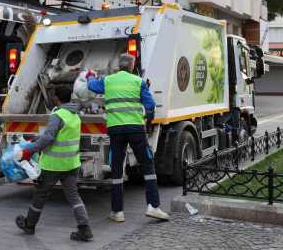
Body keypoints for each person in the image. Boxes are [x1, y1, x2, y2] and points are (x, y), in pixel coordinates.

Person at [86, 53, 169, 222]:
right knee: (147, 164)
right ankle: (153, 206)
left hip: (115, 130)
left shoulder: (108, 80)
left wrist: (89, 76)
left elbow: (92, 86)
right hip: (135, 130)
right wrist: (149, 120)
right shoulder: (138, 81)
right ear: (131, 66)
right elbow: (150, 105)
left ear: (118, 65)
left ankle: (117, 212)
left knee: (117, 168)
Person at [14, 86, 93, 242]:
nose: (51, 98)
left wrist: (28, 150)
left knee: (40, 194)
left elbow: (49, 138)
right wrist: (37, 140)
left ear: (57, 98)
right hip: (71, 164)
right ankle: (85, 229)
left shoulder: (58, 115)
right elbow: (58, 137)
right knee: (74, 197)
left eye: (53, 96)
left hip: (53, 166)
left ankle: (29, 225)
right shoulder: (75, 115)